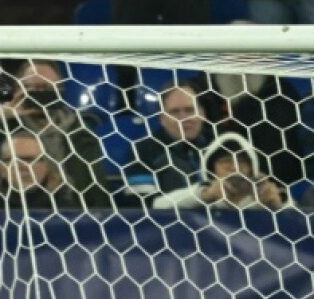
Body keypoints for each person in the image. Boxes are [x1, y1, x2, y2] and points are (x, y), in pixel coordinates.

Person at [0, 58, 110, 208]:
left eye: (45, 88)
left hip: (72, 212)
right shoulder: (2, 128)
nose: (38, 94)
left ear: (60, 91)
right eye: (30, 88)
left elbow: (95, 188)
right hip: (15, 210)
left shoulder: (79, 131)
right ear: (17, 90)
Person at [151, 132, 290, 211]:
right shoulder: (201, 199)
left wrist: (278, 205)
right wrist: (205, 194)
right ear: (212, 170)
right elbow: (158, 205)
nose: (235, 167)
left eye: (241, 161)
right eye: (226, 161)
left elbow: (299, 224)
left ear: (251, 168)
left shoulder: (261, 203)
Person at [124, 84, 213, 199]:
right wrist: (202, 195)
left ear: (202, 114)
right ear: (162, 119)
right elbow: (142, 204)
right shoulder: (142, 151)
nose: (184, 118)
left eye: (190, 110)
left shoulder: (220, 144)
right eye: (175, 112)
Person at [0, 126, 81, 210]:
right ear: (1, 168)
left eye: (30, 160)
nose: (23, 167)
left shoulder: (68, 208)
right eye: (14, 160)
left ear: (46, 165)